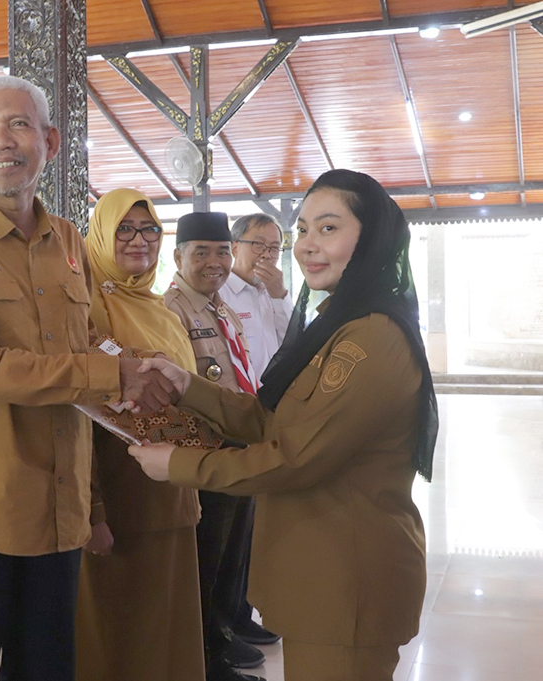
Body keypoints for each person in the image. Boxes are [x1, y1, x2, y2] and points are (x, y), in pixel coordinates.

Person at [0, 75, 175, 681]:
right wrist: (113, 373)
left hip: (58, 508)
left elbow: (85, 356)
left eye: (19, 124)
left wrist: (141, 369)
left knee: (48, 670)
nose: (2, 140)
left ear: (50, 142)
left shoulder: (68, 240)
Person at [128, 169, 438, 681]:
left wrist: (179, 464)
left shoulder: (372, 337)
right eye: (305, 229)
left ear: (373, 237)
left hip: (347, 578)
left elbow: (294, 457)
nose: (308, 245)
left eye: (329, 228)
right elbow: (272, 419)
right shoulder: (339, 323)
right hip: (318, 569)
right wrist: (188, 386)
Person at [75, 188, 205, 681]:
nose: (139, 240)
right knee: (115, 637)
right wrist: (93, 511)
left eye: (149, 229)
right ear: (100, 237)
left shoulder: (162, 311)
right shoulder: (87, 310)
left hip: (173, 491)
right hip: (119, 499)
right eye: (124, 229)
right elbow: (80, 417)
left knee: (167, 630)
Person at [163, 212, 266, 681]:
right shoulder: (173, 309)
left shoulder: (218, 306)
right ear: (178, 257)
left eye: (222, 251)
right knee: (209, 555)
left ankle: (226, 628)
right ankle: (206, 651)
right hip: (208, 448)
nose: (215, 262)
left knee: (235, 549)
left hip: (239, 440)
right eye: (200, 252)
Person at [220, 214, 293, 379]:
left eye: (274, 248)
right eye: (258, 245)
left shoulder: (276, 293)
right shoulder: (219, 295)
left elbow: (294, 343)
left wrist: (280, 296)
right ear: (235, 248)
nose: (267, 255)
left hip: (280, 390)